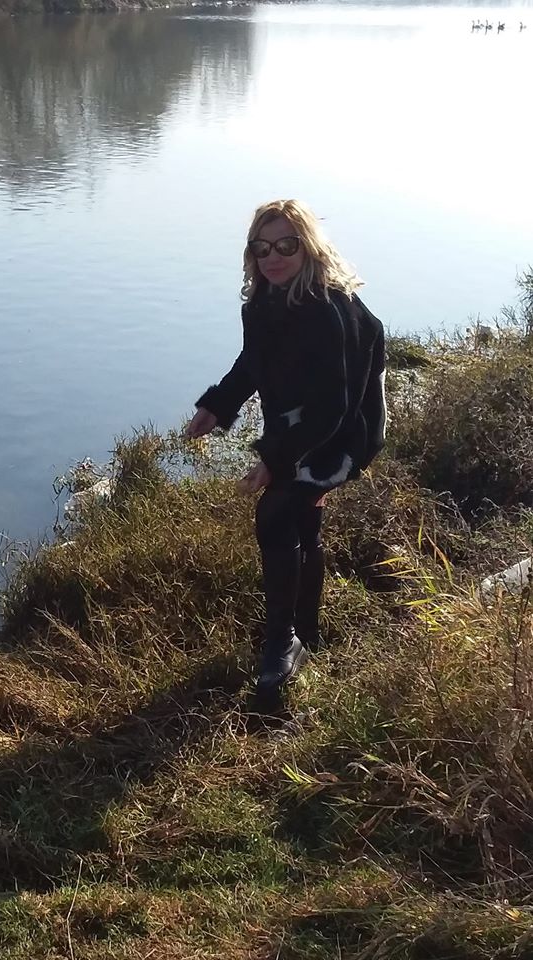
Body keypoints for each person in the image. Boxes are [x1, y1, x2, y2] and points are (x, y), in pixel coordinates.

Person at [185, 199, 386, 699]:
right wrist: (219, 405)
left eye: (286, 245)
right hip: (299, 422)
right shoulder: (262, 303)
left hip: (345, 433)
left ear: (308, 248)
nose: (273, 256)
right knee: (299, 522)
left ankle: (281, 643)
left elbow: (334, 408)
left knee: (274, 515)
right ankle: (306, 632)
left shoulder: (329, 310)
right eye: (262, 246)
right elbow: (254, 362)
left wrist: (276, 460)